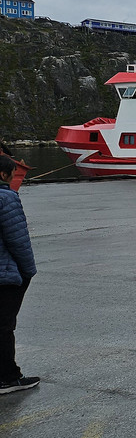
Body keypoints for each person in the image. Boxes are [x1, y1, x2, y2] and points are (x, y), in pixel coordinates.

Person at [0, 154, 39, 395]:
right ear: (4, 174)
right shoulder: (6, 198)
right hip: (5, 274)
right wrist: (28, 271)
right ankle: (8, 377)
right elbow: (18, 239)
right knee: (4, 326)